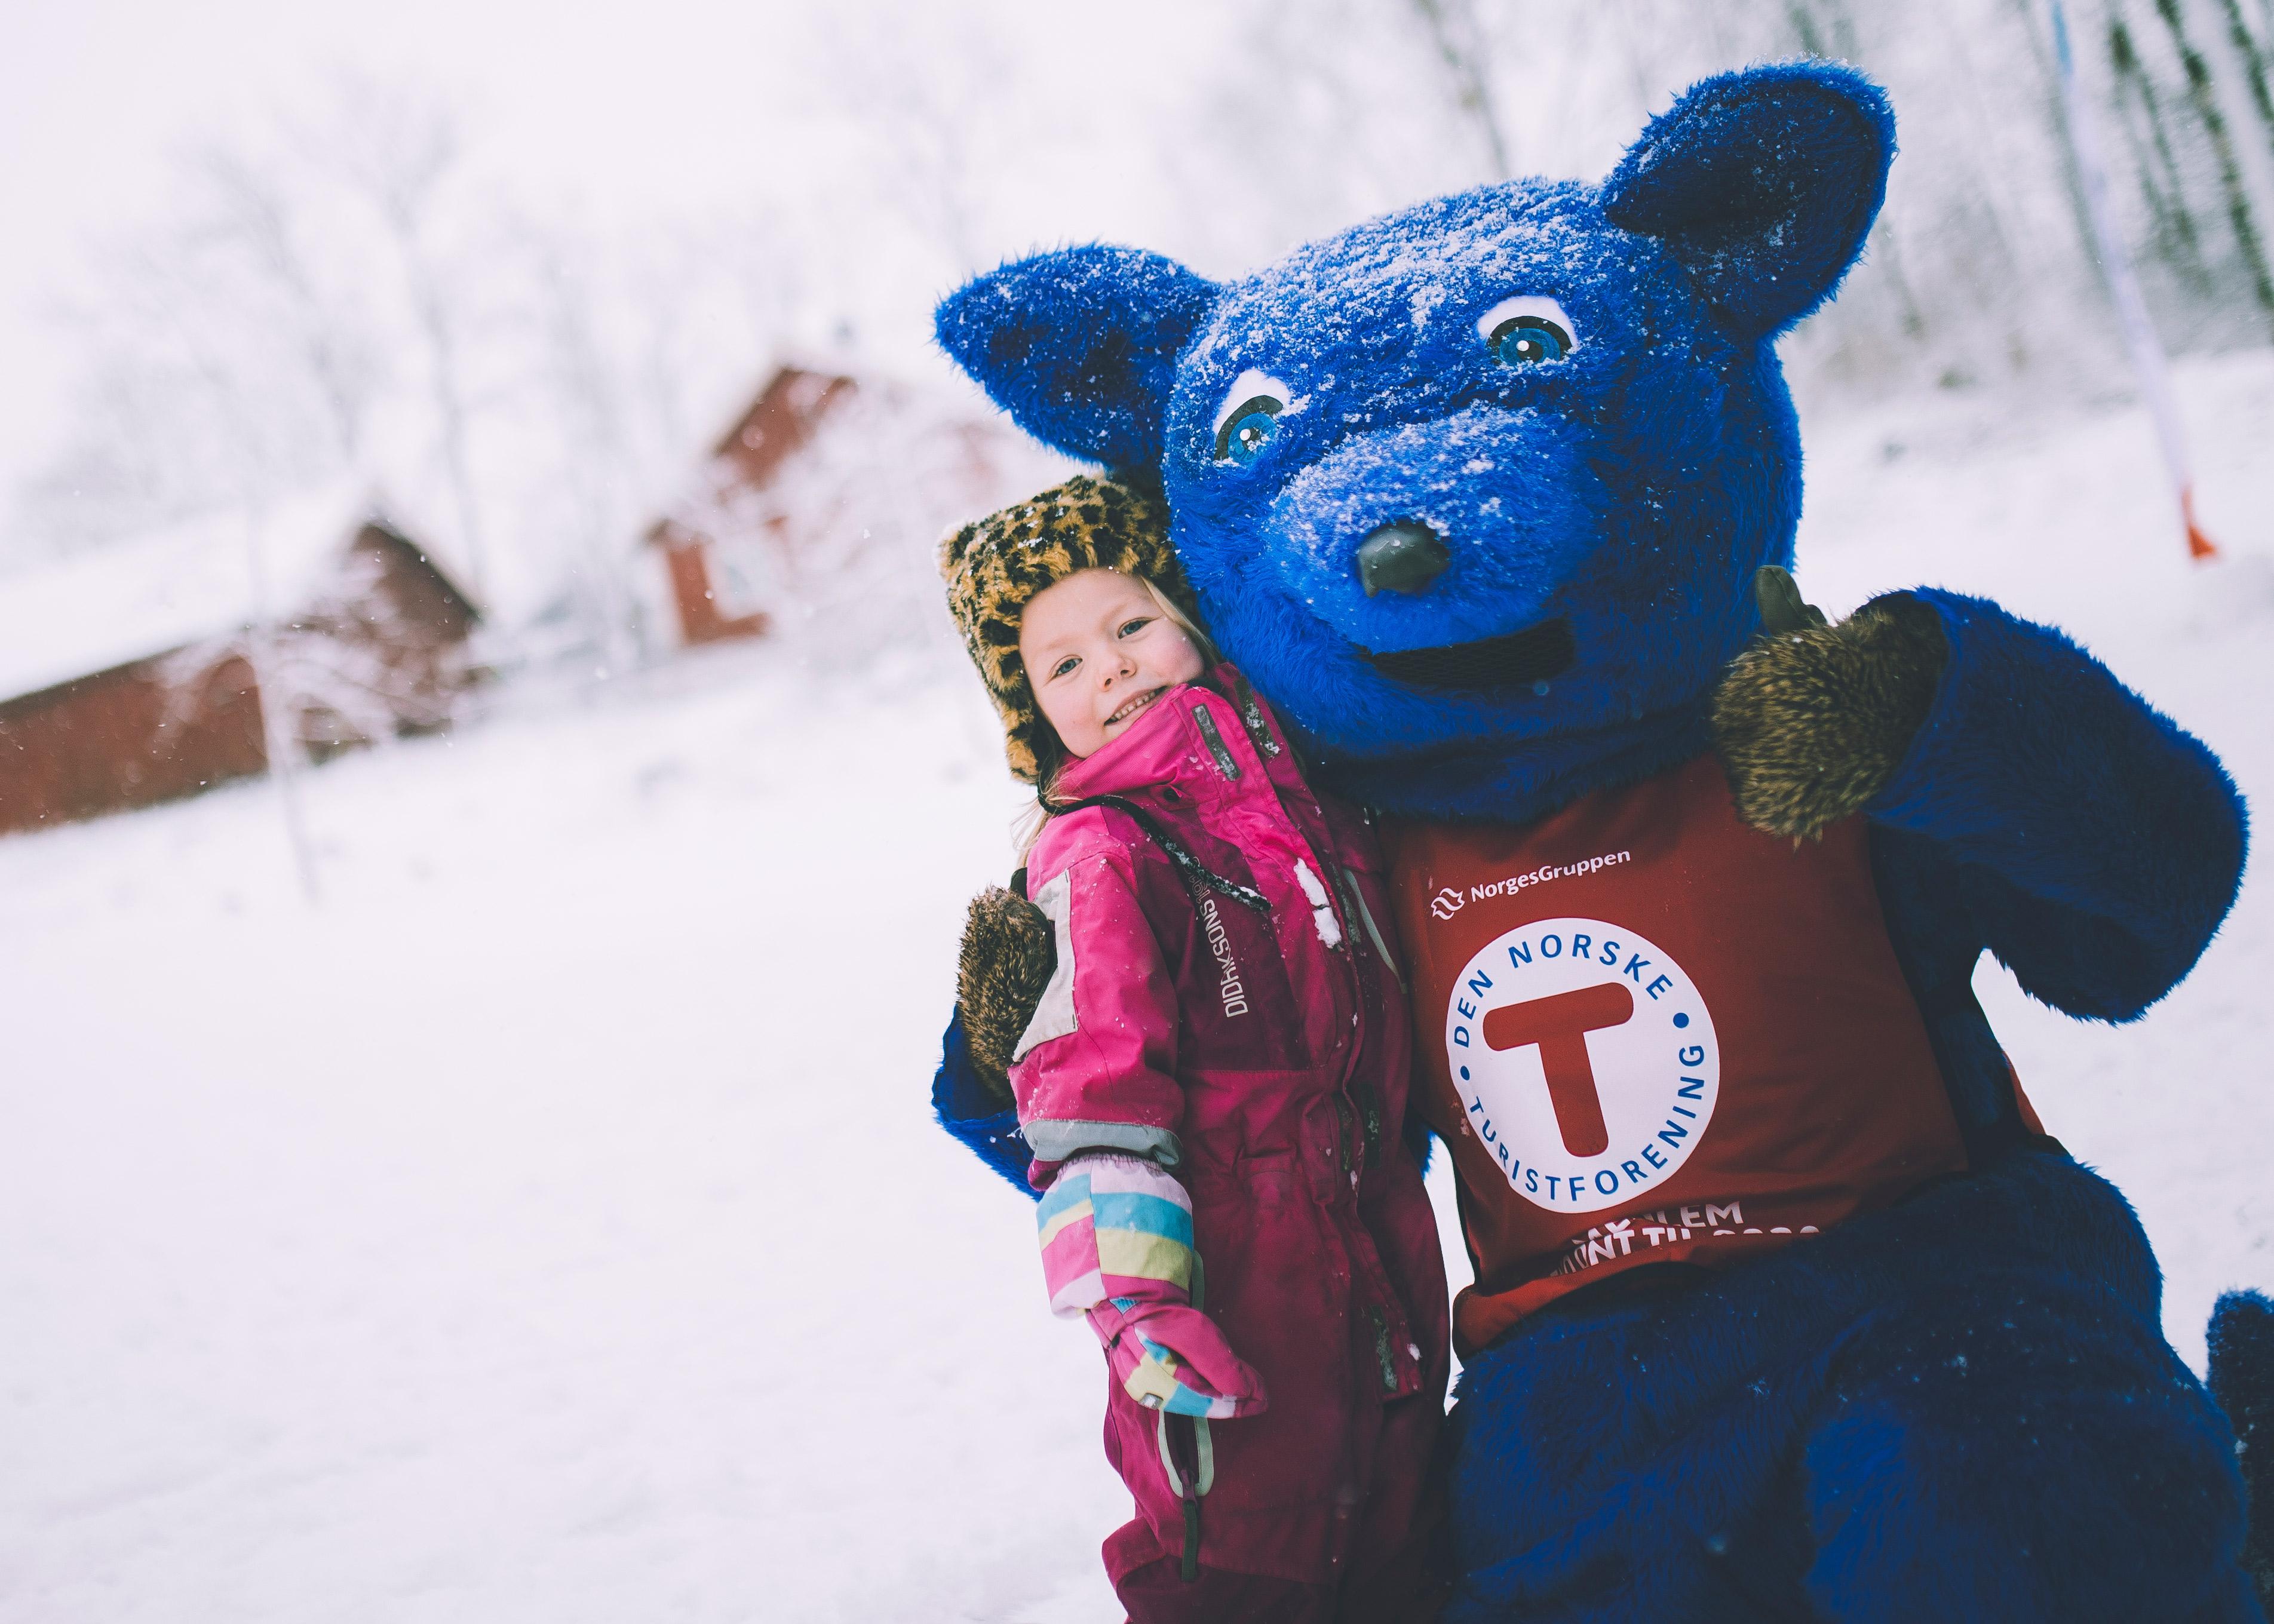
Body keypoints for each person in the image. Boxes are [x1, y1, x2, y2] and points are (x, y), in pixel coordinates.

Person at [940, 476, 1451, 1623]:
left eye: (1131, 625)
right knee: (1233, 1570)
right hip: (1226, 1303)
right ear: (1032, 713)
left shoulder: (1316, 799)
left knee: (1402, 1550)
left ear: (1191, 617)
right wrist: (1134, 1305)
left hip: (1384, 1272)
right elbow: (1092, 1103)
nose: (1111, 668)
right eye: (1062, 665)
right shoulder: (1098, 851)